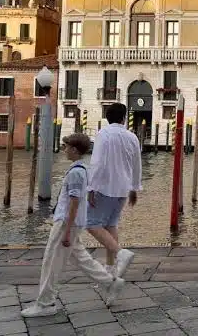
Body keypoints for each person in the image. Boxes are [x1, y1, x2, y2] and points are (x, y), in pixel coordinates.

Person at [21, 133, 125, 318]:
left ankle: (46, 303)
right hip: (72, 222)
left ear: (75, 150)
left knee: (51, 262)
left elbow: (74, 203)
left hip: (65, 223)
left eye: (66, 147)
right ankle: (110, 282)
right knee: (82, 259)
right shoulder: (82, 169)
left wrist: (67, 232)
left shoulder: (77, 172)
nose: (64, 150)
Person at [87, 103, 140, 278]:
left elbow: (97, 162)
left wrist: (91, 187)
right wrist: (134, 188)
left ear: (107, 118)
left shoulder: (103, 134)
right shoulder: (132, 137)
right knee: (111, 225)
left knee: (92, 223)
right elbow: (136, 165)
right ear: (124, 118)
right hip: (123, 189)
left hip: (105, 187)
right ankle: (111, 268)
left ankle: (120, 253)